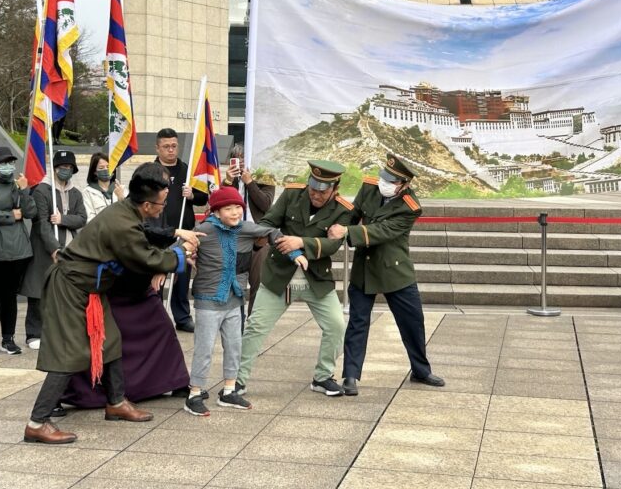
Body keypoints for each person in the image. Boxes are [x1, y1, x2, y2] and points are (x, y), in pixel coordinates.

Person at [23, 162, 198, 444]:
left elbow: (144, 238)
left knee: (110, 340)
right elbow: (146, 258)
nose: (163, 206)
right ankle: (37, 422)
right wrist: (181, 253)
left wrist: (174, 237)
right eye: (162, 202)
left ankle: (116, 401)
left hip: (90, 287)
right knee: (70, 353)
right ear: (146, 205)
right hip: (71, 286)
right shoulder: (122, 223)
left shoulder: (127, 211)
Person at [328, 153, 444, 396]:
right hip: (365, 268)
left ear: (405, 185)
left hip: (395, 270)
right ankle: (350, 375)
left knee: (412, 322)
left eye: (392, 181)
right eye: (384, 177)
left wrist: (348, 231)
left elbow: (382, 230)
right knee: (358, 322)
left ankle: (421, 370)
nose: (384, 183)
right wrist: (336, 222)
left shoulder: (411, 207)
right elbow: (353, 214)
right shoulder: (369, 188)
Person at [184, 186, 306, 417]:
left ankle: (229, 391)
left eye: (238, 208)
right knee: (204, 348)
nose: (235, 213)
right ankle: (194, 394)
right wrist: (186, 256)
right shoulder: (204, 229)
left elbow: (272, 232)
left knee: (234, 345)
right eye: (228, 209)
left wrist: (295, 254)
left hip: (236, 298)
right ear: (216, 212)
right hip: (209, 299)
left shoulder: (245, 229)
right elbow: (182, 246)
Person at [237, 160, 352, 397]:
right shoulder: (292, 195)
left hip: (316, 278)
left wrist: (301, 243)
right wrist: (285, 243)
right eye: (313, 188)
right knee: (256, 326)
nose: (316, 194)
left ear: (335, 188)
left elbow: (332, 244)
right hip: (279, 274)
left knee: (336, 325)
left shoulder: (343, 209)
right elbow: (268, 224)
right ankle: (237, 380)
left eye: (322, 191)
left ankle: (322, 376)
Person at [20, 150, 87, 350]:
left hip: (69, 248)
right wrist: (54, 249)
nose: (65, 171)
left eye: (68, 168)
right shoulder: (43, 190)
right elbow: (42, 222)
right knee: (39, 290)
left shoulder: (75, 192)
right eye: (61, 167)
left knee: (64, 294)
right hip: (45, 249)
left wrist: (63, 219)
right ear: (54, 168)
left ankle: (60, 333)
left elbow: (81, 218)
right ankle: (34, 334)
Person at [0, 146, 37, 355]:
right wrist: (11, 215)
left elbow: (30, 212)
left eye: (10, 162)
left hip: (19, 252)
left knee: (9, 296)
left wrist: (24, 190)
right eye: (2, 162)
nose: (7, 166)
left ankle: (8, 339)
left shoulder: (16, 185)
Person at [153, 128, 209, 332]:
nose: (170, 150)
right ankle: (156, 317)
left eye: (174, 146)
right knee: (156, 277)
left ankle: (183, 317)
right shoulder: (150, 170)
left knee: (182, 278)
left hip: (184, 232)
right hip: (157, 233)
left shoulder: (188, 170)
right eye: (166, 146)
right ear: (157, 147)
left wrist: (192, 195)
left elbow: (204, 197)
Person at [221, 142, 276, 316]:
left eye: (243, 159)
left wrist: (250, 183)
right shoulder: (230, 179)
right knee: (234, 282)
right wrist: (229, 181)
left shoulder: (265, 176)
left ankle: (252, 322)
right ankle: (236, 319)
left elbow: (265, 204)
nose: (241, 163)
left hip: (258, 237)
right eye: (237, 160)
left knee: (258, 283)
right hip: (235, 236)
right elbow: (222, 204)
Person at [82, 152, 125, 223]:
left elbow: (129, 216)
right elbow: (90, 220)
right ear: (94, 172)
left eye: (108, 167)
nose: (106, 169)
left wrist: (121, 199)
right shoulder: (88, 192)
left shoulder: (121, 189)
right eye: (101, 168)